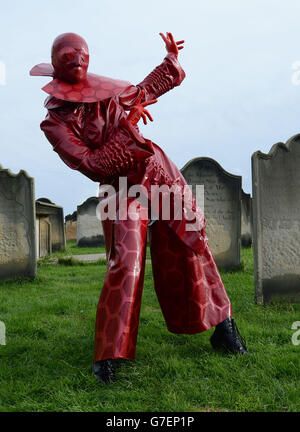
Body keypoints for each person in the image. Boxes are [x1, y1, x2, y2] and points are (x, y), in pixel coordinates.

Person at [31, 32, 248, 384]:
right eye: (71, 59)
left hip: (157, 173)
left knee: (193, 246)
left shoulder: (110, 90)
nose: (78, 63)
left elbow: (150, 87)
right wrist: (127, 127)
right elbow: (92, 164)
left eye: (82, 57)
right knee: (126, 263)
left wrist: (170, 60)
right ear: (57, 66)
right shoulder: (55, 123)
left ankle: (224, 327)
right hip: (120, 190)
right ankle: (108, 356)